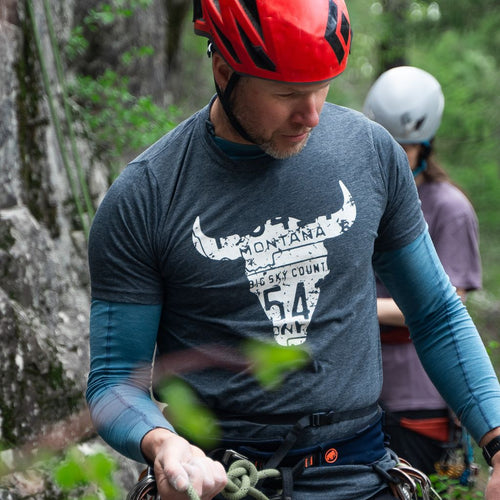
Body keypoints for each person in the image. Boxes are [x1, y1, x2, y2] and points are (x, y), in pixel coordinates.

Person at [85, 1, 500, 499]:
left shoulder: (370, 153)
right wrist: (163, 444)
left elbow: (434, 312)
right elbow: (115, 380)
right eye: (286, 93)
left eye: (322, 86)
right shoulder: (147, 196)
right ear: (223, 70)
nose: (312, 115)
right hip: (222, 481)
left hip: (362, 475)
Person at [362, 66, 483, 480]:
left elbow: (448, 306)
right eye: (386, 146)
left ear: (425, 145)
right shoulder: (357, 203)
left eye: (406, 148)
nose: (396, 157)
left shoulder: (448, 208)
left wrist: (353, 308)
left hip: (419, 397)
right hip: (360, 394)